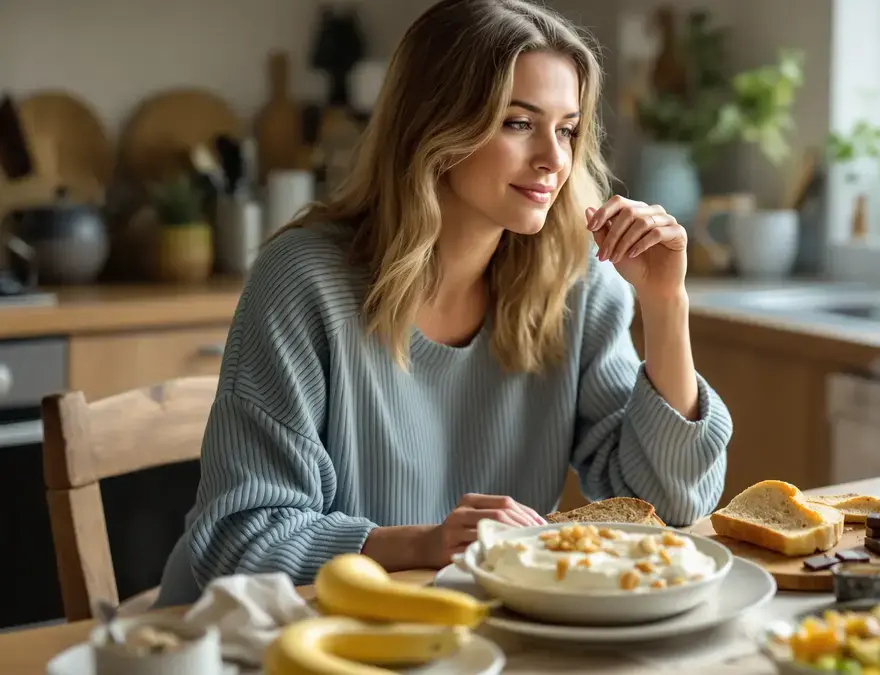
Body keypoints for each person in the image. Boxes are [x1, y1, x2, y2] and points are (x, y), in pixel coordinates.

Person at [155, 0, 732, 606]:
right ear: (434, 126)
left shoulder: (577, 278)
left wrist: (666, 303)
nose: (554, 159)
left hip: (457, 634)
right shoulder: (304, 282)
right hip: (247, 639)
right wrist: (427, 544)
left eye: (566, 129)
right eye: (517, 123)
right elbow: (238, 544)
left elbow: (672, 504)